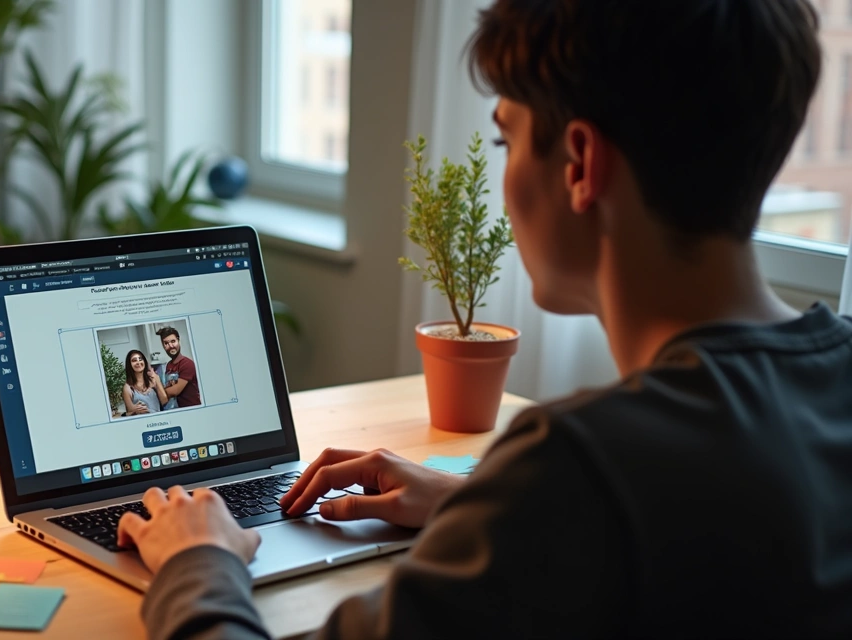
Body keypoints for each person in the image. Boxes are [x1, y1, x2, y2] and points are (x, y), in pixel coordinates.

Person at [114, 1, 852, 637]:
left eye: (503, 139)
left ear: (579, 165)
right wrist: (480, 508)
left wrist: (195, 562)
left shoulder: (576, 468)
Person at [156, 327, 201, 408]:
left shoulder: (187, 364)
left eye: (173, 341)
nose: (171, 346)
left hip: (192, 408)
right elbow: (168, 387)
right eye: (166, 343)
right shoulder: (169, 365)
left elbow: (175, 391)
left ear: (178, 340)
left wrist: (159, 389)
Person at [122, 349, 168, 417]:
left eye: (140, 359)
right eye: (134, 360)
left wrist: (156, 378)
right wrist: (136, 410)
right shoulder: (127, 388)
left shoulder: (153, 380)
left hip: (159, 421)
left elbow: (164, 400)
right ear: (129, 365)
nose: (138, 362)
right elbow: (129, 412)